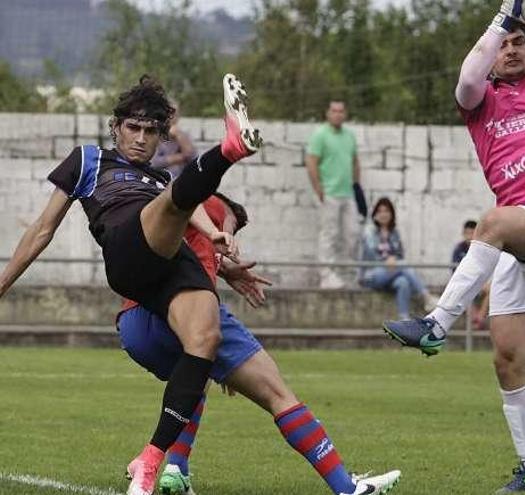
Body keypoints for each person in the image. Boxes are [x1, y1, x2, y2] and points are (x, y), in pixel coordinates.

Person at [383, 0, 525, 491]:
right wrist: (508, 11)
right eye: (503, 45)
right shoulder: (479, 100)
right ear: (491, 54)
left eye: (519, 42)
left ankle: (435, 324)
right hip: (521, 238)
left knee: (489, 222)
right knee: (508, 358)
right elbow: (467, 77)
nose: (510, 51)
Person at [0, 73, 263, 495]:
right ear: (116, 127)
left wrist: (214, 238)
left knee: (202, 347)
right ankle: (229, 149)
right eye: (133, 128)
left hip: (156, 265)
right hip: (124, 246)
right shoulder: (87, 160)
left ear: (162, 137)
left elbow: (181, 206)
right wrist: (3, 284)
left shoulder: (160, 180)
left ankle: (158, 463)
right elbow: (42, 230)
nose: (141, 138)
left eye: (151, 131)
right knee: (169, 205)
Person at [119, 193, 401, 495]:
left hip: (134, 323)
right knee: (277, 393)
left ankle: (176, 469)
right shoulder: (213, 206)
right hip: (183, 310)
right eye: (235, 229)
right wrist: (207, 337)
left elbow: (176, 242)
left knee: (192, 381)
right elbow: (196, 272)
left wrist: (223, 272)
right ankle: (347, 487)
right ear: (231, 216)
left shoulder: (174, 208)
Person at [306, 100, 361, 289]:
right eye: (334, 111)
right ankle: (327, 276)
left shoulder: (349, 136)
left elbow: (355, 161)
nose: (337, 114)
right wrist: (318, 188)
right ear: (328, 113)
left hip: (348, 194)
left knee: (352, 234)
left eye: (341, 111)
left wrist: (356, 185)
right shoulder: (320, 135)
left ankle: (348, 275)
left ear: (345, 114)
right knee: (329, 234)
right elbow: (311, 161)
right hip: (329, 193)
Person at [359, 197, 437, 320]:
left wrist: (393, 260)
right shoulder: (370, 231)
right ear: (375, 214)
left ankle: (404, 319)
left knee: (403, 282)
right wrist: (388, 261)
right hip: (372, 274)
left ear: (391, 214)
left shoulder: (394, 233)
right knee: (402, 265)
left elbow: (400, 255)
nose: (383, 214)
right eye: (380, 211)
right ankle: (426, 297)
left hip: (391, 273)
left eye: (386, 211)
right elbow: (371, 254)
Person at [452, 219, 490, 329]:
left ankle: (480, 318)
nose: (469, 236)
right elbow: (454, 270)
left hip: (480, 282)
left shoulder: (483, 248)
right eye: (467, 233)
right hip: (465, 283)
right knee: (465, 292)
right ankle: (473, 320)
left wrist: (482, 282)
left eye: (471, 233)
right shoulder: (458, 249)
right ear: (463, 234)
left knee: (491, 290)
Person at [151, 99, 197, 178]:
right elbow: (153, 163)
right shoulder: (153, 134)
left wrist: (179, 136)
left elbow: (193, 159)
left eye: (175, 114)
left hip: (181, 181)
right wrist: (181, 157)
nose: (171, 118)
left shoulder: (183, 135)